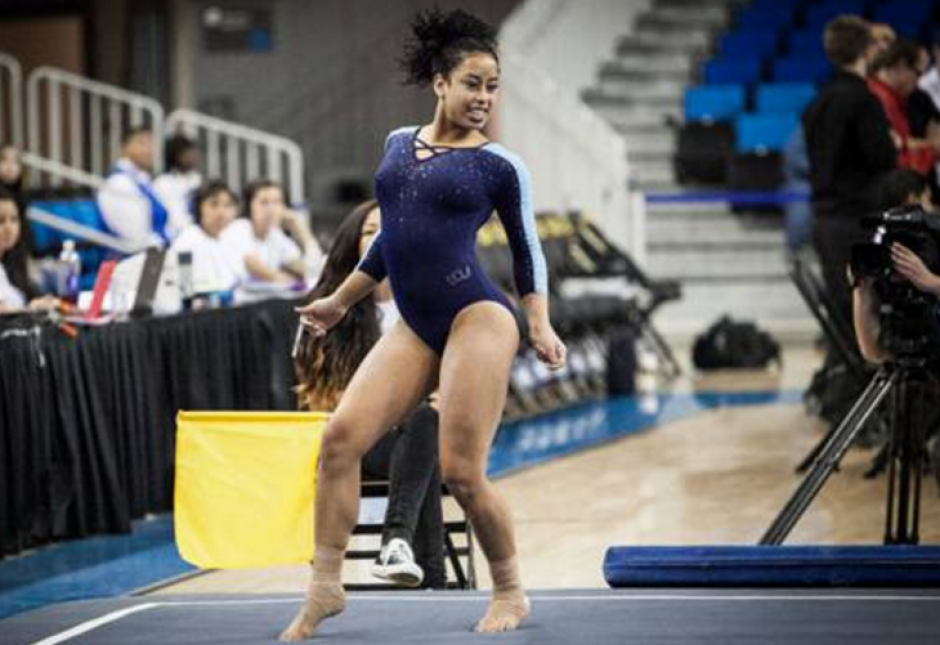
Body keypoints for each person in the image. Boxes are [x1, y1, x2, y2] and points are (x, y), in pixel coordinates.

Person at [280, 8, 565, 641]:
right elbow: (391, 244)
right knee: (339, 440)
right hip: (416, 322)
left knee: (462, 471)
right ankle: (326, 588)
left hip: (478, 317)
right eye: (472, 83)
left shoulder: (499, 166)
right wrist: (341, 301)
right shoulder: (395, 143)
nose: (483, 98)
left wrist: (538, 323)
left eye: (492, 86)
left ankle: (510, 591)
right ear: (439, 81)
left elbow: (527, 249)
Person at [295, 199, 445, 589]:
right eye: (369, 230)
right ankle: (427, 574)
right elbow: (323, 394)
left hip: (426, 434)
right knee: (420, 435)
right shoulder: (334, 308)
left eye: (389, 228)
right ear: (354, 244)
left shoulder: (429, 301)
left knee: (425, 423)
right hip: (360, 443)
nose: (381, 236)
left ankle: (398, 543)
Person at [804, 15, 898, 331]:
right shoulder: (863, 100)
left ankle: (846, 377)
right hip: (857, 218)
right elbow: (882, 158)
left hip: (824, 218)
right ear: (866, 50)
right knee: (865, 314)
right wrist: (893, 143)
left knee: (841, 314)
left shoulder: (816, 102)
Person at [853, 170, 939, 362]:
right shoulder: (878, 253)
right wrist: (862, 294)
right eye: (928, 200)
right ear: (912, 199)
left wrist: (933, 283)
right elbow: (873, 354)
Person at [221, 179, 323, 285]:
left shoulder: (276, 235)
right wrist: (291, 282)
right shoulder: (239, 228)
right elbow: (255, 267)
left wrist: (299, 227)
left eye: (277, 202)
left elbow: (310, 271)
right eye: (264, 202)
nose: (271, 209)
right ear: (249, 206)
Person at [867, 39, 940, 177]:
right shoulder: (878, 100)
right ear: (901, 66)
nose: (918, 82)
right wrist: (932, 148)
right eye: (917, 74)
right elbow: (900, 160)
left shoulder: (896, 99)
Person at [96, 127, 171, 250]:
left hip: (152, 254)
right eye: (141, 143)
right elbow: (136, 238)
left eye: (150, 144)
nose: (148, 150)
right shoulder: (118, 183)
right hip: (127, 261)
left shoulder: (142, 179)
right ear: (124, 147)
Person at [170, 180, 240, 294]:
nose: (222, 212)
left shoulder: (229, 239)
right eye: (214, 204)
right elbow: (185, 289)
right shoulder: (188, 239)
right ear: (198, 208)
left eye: (228, 205)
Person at [0, 187, 56, 313]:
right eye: (0, 220)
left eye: (14, 219)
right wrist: (30, 310)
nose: (9, 228)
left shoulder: (11, 265)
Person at [153, 135, 202, 239]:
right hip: (173, 237)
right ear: (176, 155)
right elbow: (173, 218)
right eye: (188, 153)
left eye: (194, 152)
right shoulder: (163, 183)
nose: (194, 156)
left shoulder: (197, 179)